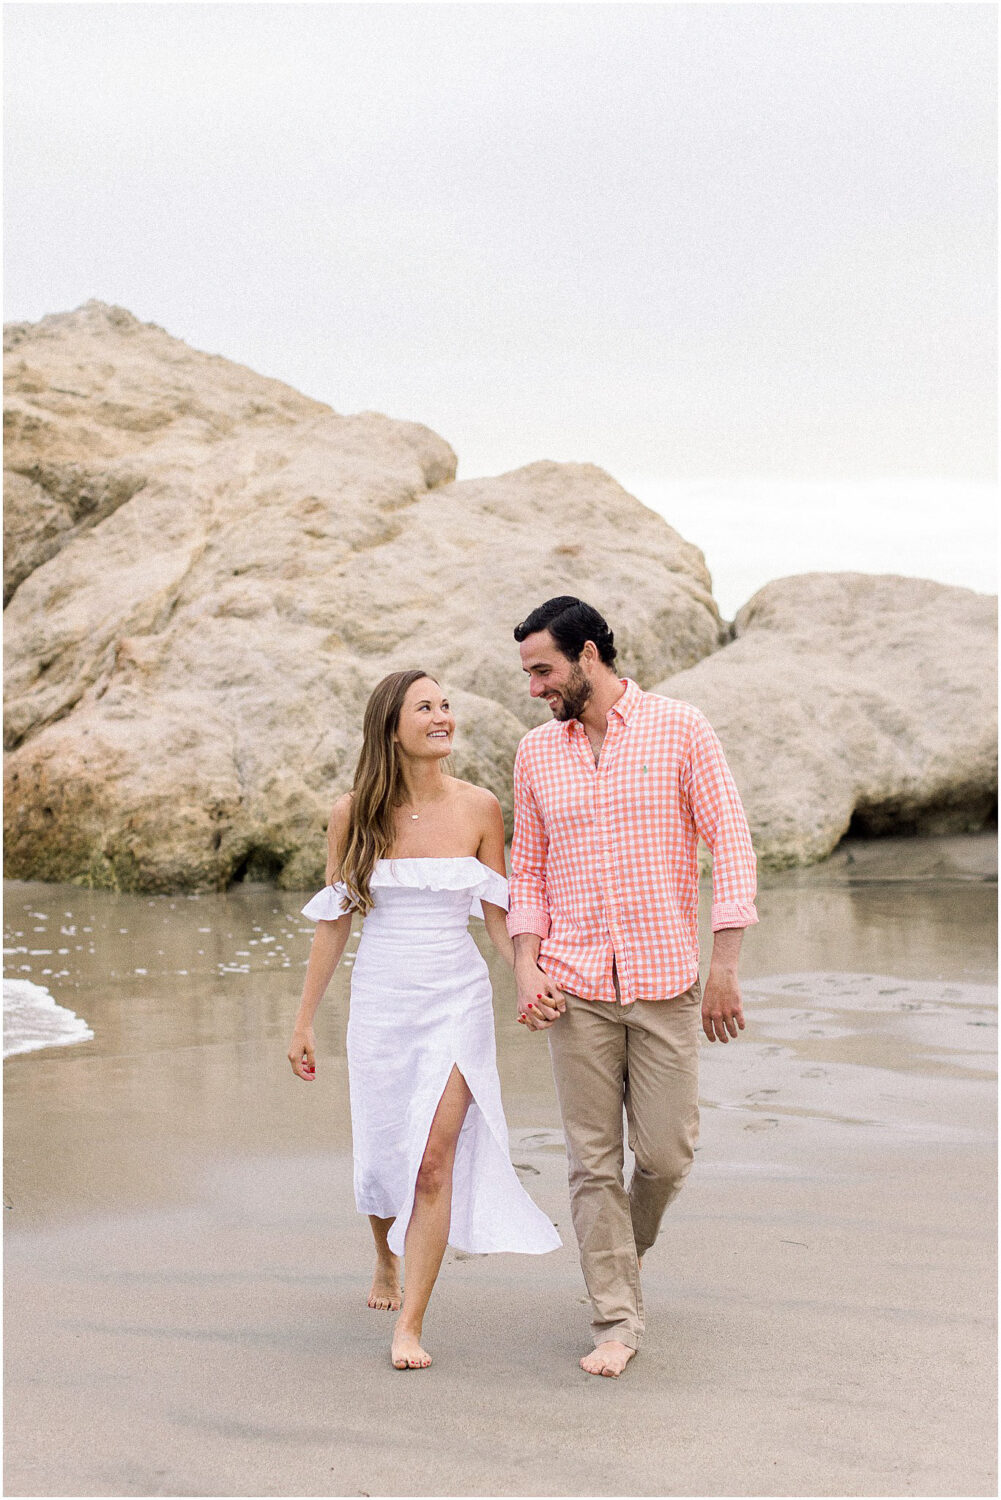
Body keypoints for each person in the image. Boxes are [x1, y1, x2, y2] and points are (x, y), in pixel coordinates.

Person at [507, 597, 758, 1378]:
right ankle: (614, 1315)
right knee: (588, 1163)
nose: (534, 688)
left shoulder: (682, 728)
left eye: (543, 670)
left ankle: (622, 1255)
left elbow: (732, 845)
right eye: (526, 674)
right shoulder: (535, 754)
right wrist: (525, 965)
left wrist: (723, 964)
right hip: (572, 985)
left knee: (665, 1155)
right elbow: (528, 874)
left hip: (662, 982)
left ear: (587, 656)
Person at [288, 668, 560, 1371]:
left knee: (432, 1162)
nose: (442, 716)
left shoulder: (480, 809)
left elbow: (500, 917)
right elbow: (333, 922)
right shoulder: (353, 813)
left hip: (455, 999)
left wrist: (528, 977)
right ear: (391, 726)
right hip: (380, 1000)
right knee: (386, 1154)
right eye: (425, 707)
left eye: (446, 705)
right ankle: (382, 1253)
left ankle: (409, 1323)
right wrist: (303, 1021)